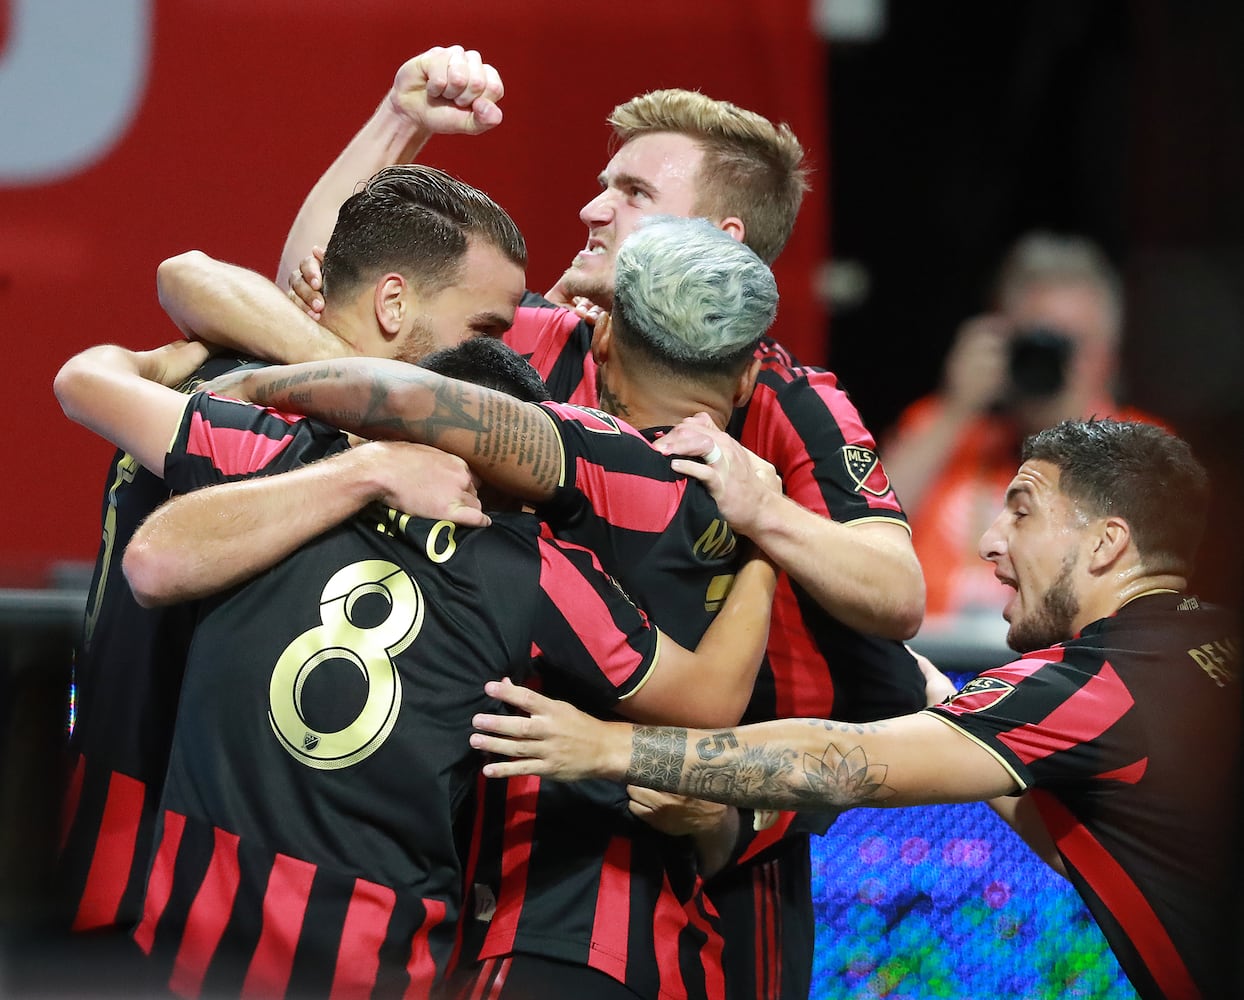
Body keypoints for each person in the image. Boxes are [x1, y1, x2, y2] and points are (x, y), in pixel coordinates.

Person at [266, 44, 929, 1000]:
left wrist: (766, 513)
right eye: (599, 184)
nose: (592, 208)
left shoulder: (789, 399)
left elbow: (897, 593)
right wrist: (396, 121)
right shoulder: (540, 340)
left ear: (720, 240)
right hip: (517, 817)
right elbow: (340, 308)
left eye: (631, 191)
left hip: (713, 849)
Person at [137, 214, 784, 998]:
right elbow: (740, 694)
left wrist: (265, 388)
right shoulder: (736, 508)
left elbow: (113, 363)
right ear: (748, 376)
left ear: (603, 344)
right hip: (623, 941)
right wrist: (768, 540)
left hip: (421, 927)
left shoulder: (576, 454)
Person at [472, 417, 1240, 1000]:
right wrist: (938, 695)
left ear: (1107, 544)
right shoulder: (1202, 651)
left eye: (1024, 511)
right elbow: (1085, 825)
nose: (990, 541)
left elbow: (837, 767)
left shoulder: (1098, 688)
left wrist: (607, 747)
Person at [48, 164, 524, 966]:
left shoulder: (205, 378)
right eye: (485, 332)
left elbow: (133, 327)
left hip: (124, 834)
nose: (492, 368)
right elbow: (185, 278)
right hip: (173, 873)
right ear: (394, 303)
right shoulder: (305, 441)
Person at [883, 230, 1169, 619]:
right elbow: (865, 526)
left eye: (1070, 345)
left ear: (1109, 356)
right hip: (935, 664)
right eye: (1038, 344)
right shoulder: (947, 430)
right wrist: (955, 408)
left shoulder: (1146, 450)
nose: (1054, 365)